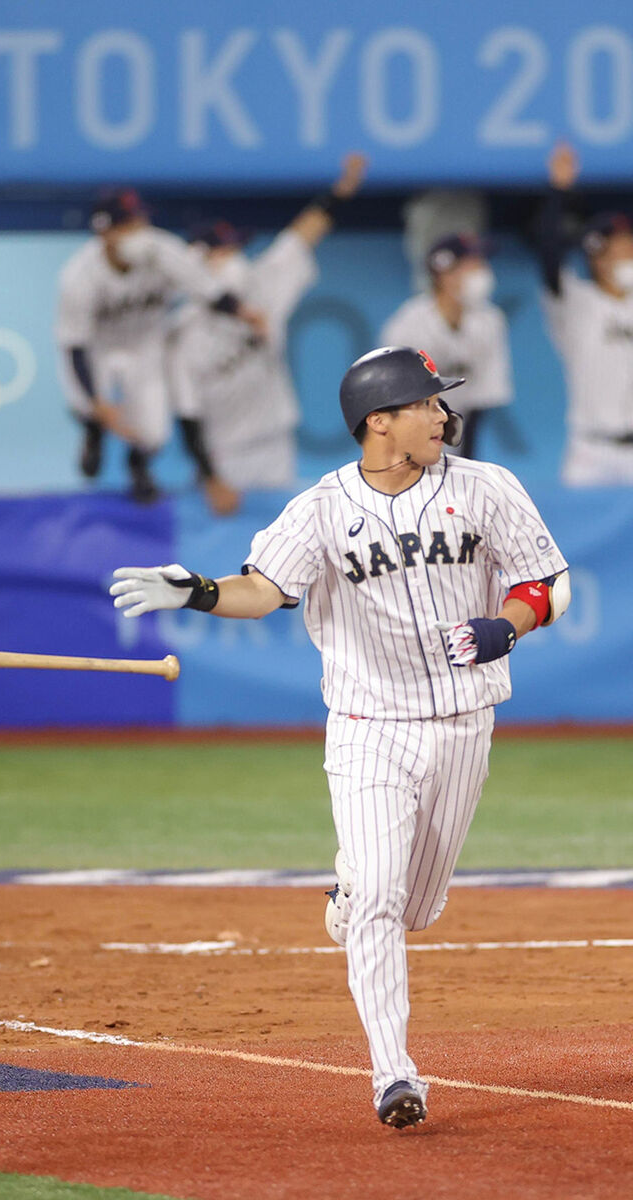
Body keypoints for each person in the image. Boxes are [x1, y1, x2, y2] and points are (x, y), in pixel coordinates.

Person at [108, 345, 570, 1127]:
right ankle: (394, 1076)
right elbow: (263, 589)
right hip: (367, 728)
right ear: (378, 420)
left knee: (414, 909)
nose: (442, 415)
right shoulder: (321, 508)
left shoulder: (486, 488)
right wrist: (200, 592)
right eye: (425, 403)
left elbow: (545, 582)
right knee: (383, 902)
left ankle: (349, 890)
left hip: (464, 724)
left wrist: (507, 624)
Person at [169, 153, 369, 515]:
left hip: (275, 443)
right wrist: (211, 478)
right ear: (198, 263)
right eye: (223, 251)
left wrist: (341, 191)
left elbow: (301, 237)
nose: (235, 258)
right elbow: (187, 415)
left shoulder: (261, 287)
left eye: (236, 248)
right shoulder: (185, 330)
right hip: (224, 455)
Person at [55, 190, 265, 503]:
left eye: (140, 221)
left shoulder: (162, 250)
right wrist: (98, 404)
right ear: (105, 232)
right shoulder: (78, 275)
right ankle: (93, 431)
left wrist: (244, 312)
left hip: (145, 344)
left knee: (154, 431)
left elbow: (206, 289)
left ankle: (137, 465)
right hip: (98, 348)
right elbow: (75, 345)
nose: (139, 231)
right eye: (127, 225)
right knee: (83, 401)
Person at [537, 130, 633, 485]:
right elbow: (549, 255)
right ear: (598, 257)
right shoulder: (576, 302)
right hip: (591, 450)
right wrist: (557, 192)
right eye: (622, 246)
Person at [380, 233, 513, 459]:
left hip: (458, 433)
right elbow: (392, 400)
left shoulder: (490, 321)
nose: (482, 273)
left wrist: (464, 460)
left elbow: (483, 398)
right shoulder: (408, 325)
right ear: (445, 273)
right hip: (409, 435)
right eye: (473, 266)